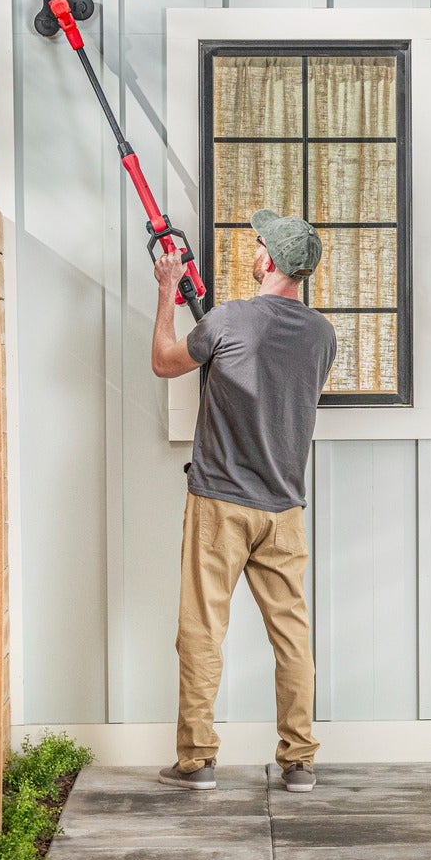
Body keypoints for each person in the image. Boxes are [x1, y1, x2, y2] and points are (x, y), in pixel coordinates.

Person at [151, 208, 337, 793]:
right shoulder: (322, 336)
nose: (253, 250)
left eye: (259, 244)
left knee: (202, 630)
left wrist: (167, 290)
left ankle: (196, 761)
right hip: (284, 507)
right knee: (292, 635)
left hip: (220, 504)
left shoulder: (229, 320)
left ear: (271, 260)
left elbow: (163, 361)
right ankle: (299, 762)